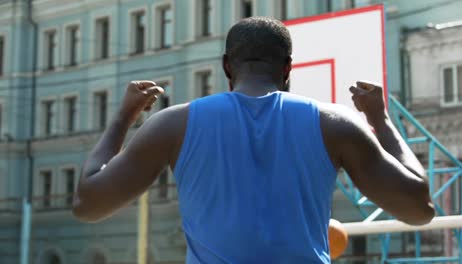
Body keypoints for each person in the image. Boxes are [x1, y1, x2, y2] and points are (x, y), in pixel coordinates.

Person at [73, 17, 434, 263]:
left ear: (227, 66)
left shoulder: (172, 125)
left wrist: (123, 117)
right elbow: (419, 209)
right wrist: (380, 120)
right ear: (288, 68)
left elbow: (88, 205)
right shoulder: (334, 124)